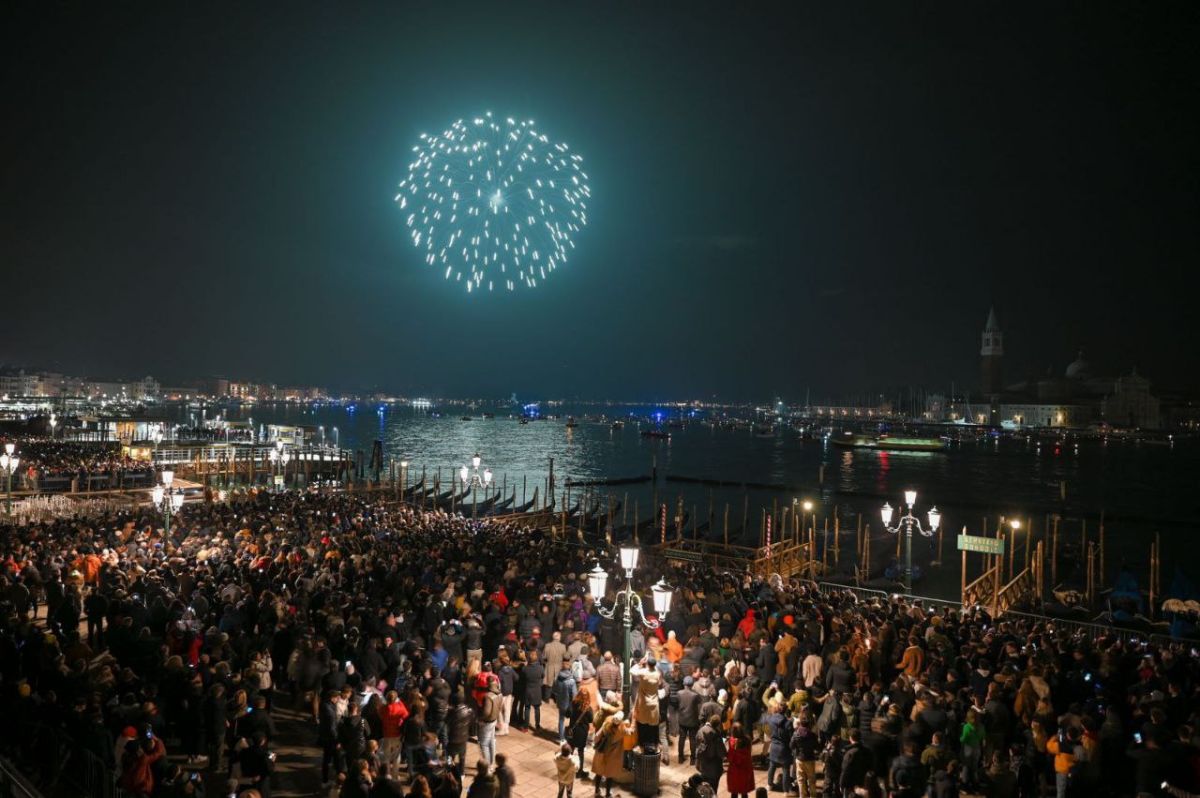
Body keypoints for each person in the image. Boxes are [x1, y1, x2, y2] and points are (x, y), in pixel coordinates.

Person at [590, 712, 626, 798]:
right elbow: (628, 732)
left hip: (601, 753)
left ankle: (597, 791)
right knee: (609, 776)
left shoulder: (605, 725)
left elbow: (597, 737)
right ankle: (607, 794)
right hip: (612, 756)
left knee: (599, 773)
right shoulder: (621, 730)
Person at [567, 690, 594, 780]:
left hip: (573, 730)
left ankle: (567, 769)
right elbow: (591, 719)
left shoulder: (573, 703)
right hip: (582, 732)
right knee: (581, 751)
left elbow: (567, 714)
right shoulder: (588, 708)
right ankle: (580, 772)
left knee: (570, 749)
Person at [695, 713, 726, 792]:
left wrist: (697, 762)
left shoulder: (700, 731)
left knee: (705, 789)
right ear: (718, 724)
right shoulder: (716, 734)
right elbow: (722, 752)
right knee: (713, 790)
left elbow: (698, 748)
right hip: (714, 768)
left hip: (703, 766)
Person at [677, 676, 703, 765]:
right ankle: (692, 760)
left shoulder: (679, 693)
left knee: (681, 738)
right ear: (692, 684)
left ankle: (680, 758)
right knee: (692, 739)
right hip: (693, 720)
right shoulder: (695, 695)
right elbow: (699, 707)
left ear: (684, 683)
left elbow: (677, 705)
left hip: (682, 719)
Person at [726, 723, 755, 798]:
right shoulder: (748, 739)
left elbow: (730, 756)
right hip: (745, 769)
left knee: (734, 792)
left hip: (734, 770)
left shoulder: (731, 741)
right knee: (744, 793)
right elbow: (749, 752)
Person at [553, 661, 579, 741]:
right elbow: (574, 695)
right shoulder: (571, 681)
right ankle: (571, 737)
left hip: (560, 703)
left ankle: (561, 738)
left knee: (561, 720)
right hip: (569, 704)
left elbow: (554, 690)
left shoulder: (558, 677)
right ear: (570, 668)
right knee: (573, 719)